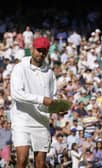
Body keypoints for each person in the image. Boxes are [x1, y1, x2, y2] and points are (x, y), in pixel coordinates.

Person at [10, 37, 57, 168]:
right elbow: (16, 94)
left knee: (41, 164)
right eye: (39, 50)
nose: (41, 54)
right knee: (22, 158)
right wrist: (41, 99)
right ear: (32, 49)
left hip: (41, 122)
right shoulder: (19, 68)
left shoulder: (49, 73)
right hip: (22, 120)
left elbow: (52, 97)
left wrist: (57, 108)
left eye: (44, 51)